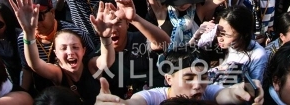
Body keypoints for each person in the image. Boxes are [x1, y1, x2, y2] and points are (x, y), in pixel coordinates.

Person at [10, 0, 117, 105]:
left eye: (75, 47)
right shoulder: (58, 73)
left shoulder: (91, 66)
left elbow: (106, 61)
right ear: (56, 53)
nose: (70, 52)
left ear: (84, 50)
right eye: (63, 48)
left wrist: (105, 37)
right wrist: (28, 33)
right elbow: (35, 64)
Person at [94, 48, 264, 105]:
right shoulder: (154, 97)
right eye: (189, 77)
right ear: (169, 79)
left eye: (203, 76)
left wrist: (238, 91)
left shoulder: (207, 91)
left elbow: (225, 94)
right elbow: (135, 102)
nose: (198, 84)